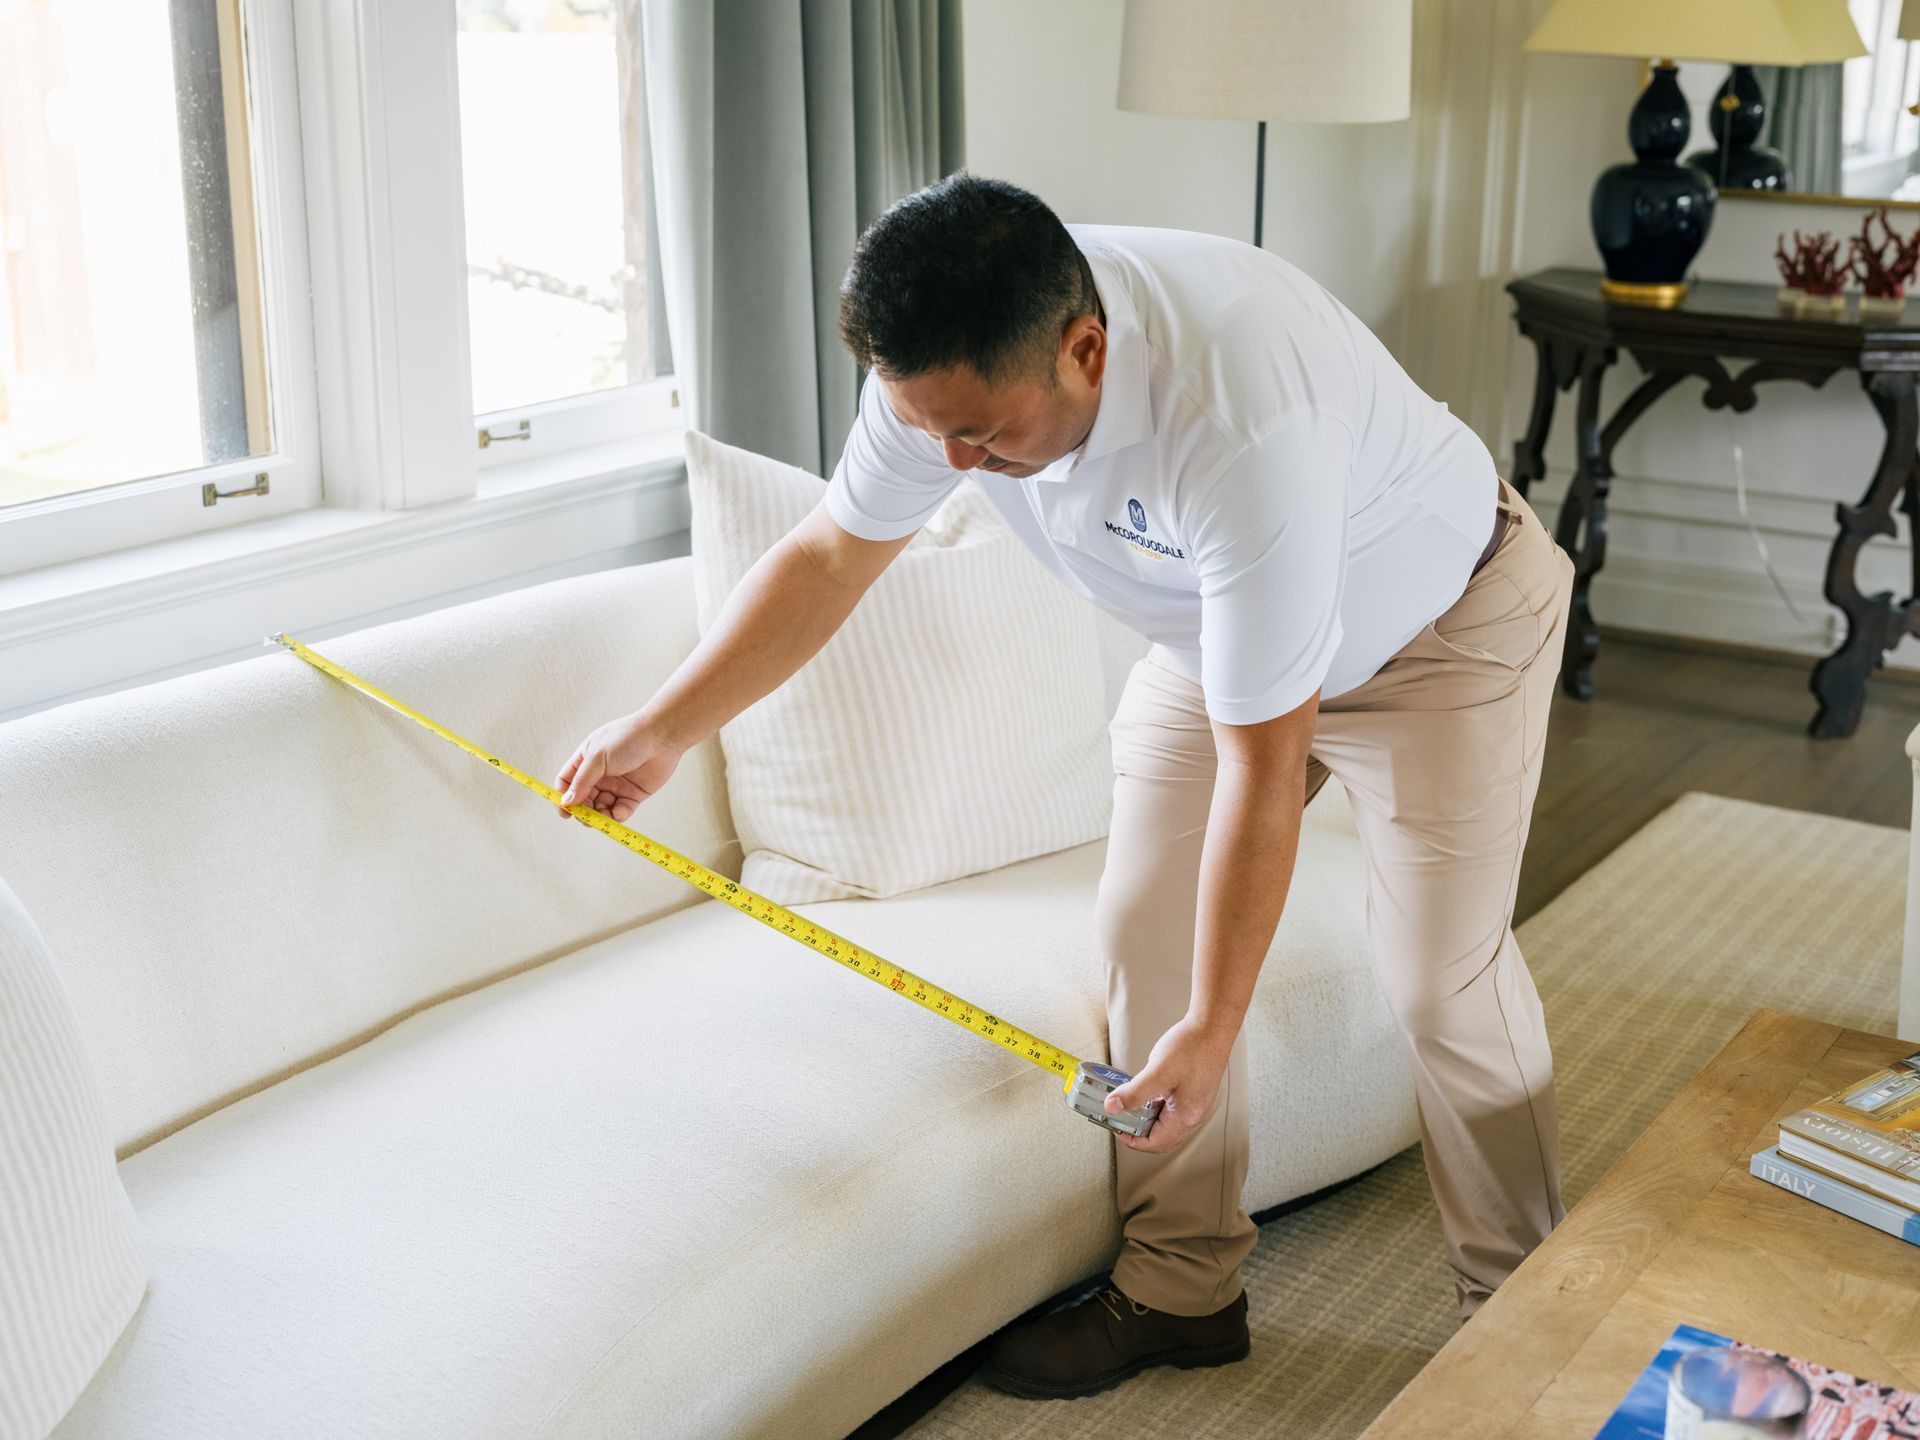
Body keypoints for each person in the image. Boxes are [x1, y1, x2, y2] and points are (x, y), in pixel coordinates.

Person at [554, 173, 1575, 1401]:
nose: (952, 460)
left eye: (981, 438)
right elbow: (830, 556)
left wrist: (1218, 1026)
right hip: (1219, 640)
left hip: (1442, 634)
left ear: (1086, 350)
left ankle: (1529, 1331)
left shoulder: (1239, 415)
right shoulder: (948, 369)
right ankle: (1183, 1286)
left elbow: (1264, 770)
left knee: (1438, 981)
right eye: (930, 430)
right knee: (1143, 933)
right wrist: (663, 727)